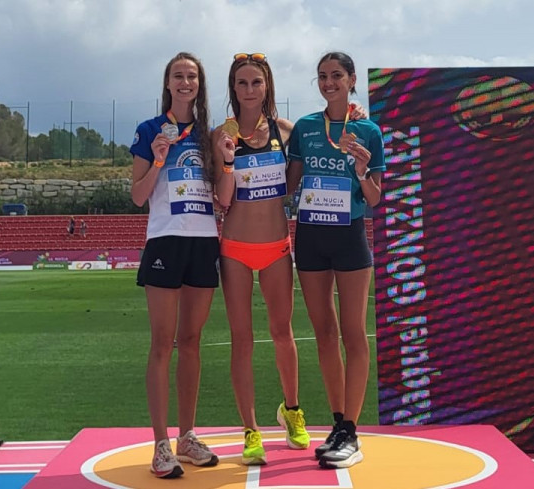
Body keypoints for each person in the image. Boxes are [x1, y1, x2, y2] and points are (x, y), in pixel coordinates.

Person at [286, 51, 384, 469]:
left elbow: (376, 197)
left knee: (353, 334)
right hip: (310, 236)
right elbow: (288, 183)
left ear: (352, 79)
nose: (329, 82)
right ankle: (337, 423)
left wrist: (361, 170)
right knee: (324, 334)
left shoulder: (369, 130)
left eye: (337, 76)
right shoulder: (307, 127)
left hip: (350, 237)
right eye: (323, 76)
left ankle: (351, 431)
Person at [212, 52, 308, 465]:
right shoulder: (221, 135)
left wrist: (354, 111)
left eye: (256, 82)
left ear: (267, 86)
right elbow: (223, 198)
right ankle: (251, 430)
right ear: (232, 89)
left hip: (275, 247)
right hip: (234, 248)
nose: (249, 90)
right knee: (243, 341)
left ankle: (292, 410)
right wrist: (230, 162)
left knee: (283, 333)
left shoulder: (287, 132)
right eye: (241, 83)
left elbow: (290, 186)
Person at [129, 52, 220, 479]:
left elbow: (223, 196)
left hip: (204, 242)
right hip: (165, 239)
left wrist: (228, 157)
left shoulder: (208, 134)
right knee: (162, 343)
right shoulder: (150, 130)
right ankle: (160, 444)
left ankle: (187, 436)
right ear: (168, 82)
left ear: (199, 85)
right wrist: (160, 159)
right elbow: (138, 195)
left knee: (192, 340)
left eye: (192, 77)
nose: (185, 83)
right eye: (178, 76)